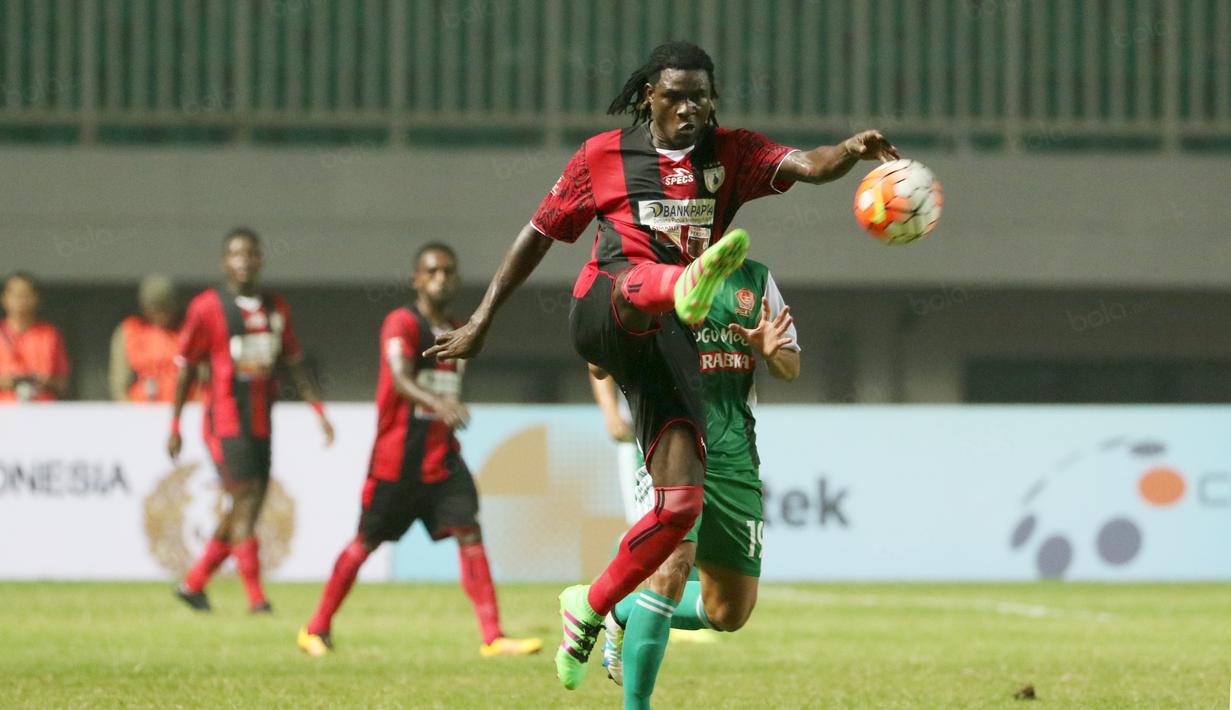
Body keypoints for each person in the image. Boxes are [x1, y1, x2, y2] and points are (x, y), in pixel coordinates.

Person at [422, 40, 896, 690]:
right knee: (671, 563)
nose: (689, 106)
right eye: (675, 93)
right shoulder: (601, 156)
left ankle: (593, 605)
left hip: (676, 357)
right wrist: (479, 319)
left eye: (701, 95)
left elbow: (808, 165)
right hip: (608, 303)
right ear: (647, 93)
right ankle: (680, 282)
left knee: (694, 539)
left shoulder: (732, 154)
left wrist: (848, 150)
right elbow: (536, 233)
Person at [297, 243, 541, 658]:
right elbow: (398, 379)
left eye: (448, 271)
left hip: (442, 460)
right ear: (416, 279)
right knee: (366, 541)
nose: (440, 278)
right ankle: (315, 629)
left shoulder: (459, 327)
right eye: (432, 271)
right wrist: (439, 404)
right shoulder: (401, 322)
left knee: (470, 531)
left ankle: (493, 636)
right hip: (397, 461)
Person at [602, 258, 800, 709]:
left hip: (733, 458)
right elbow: (597, 359)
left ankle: (621, 611)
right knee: (670, 571)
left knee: (729, 612)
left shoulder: (755, 278)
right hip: (667, 447)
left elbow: (791, 366)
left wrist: (773, 353)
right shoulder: (649, 271)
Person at [167, 227, 335, 613]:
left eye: (250, 253)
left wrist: (319, 412)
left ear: (260, 259)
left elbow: (293, 361)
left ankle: (194, 583)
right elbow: (186, 367)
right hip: (224, 420)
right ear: (225, 262)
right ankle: (256, 598)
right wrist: (174, 424)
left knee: (250, 503)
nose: (243, 261)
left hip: (261, 420)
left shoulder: (276, 308)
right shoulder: (207, 307)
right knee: (244, 498)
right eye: (235, 254)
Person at [110, 274, 189, 403]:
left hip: (183, 409)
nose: (160, 315)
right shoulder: (129, 331)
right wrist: (129, 411)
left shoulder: (188, 330)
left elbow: (203, 380)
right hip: (140, 411)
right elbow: (119, 383)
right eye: (154, 309)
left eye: (165, 308)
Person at [0, 272, 70, 403]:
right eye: (16, 295)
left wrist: (43, 382)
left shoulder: (49, 334)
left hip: (41, 410)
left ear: (35, 298)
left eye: (26, 295)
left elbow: (63, 383)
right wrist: (9, 381)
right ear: (4, 298)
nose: (21, 301)